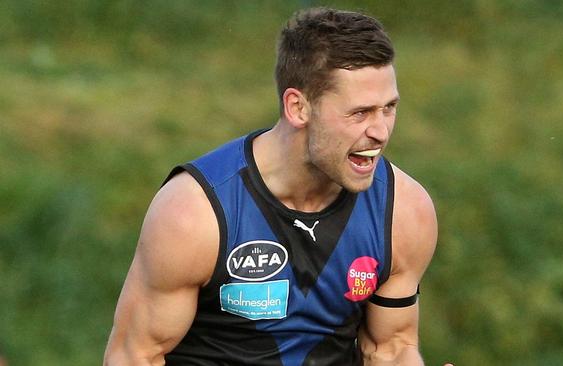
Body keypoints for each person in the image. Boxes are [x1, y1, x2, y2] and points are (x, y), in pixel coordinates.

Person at [104, 7, 446, 366]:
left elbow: (391, 348)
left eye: (388, 108)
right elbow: (135, 356)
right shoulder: (194, 213)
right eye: (359, 113)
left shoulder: (404, 211)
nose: (380, 131)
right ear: (298, 107)